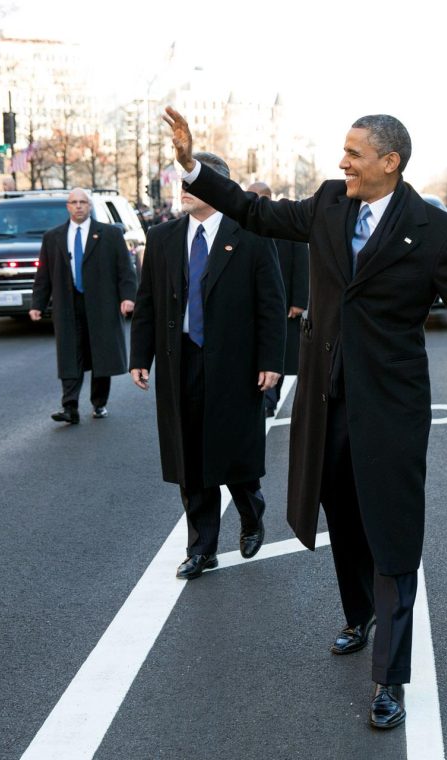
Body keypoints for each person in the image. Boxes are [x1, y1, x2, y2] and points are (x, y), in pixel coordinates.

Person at [164, 107, 447, 730]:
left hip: (392, 406)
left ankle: (389, 679)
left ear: (389, 162)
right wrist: (192, 165)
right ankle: (358, 614)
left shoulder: (432, 231)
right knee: (342, 517)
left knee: (394, 536)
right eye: (342, 151)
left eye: (353, 152)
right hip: (326, 400)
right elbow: (257, 212)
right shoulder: (326, 205)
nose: (341, 161)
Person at [130, 154, 286, 577]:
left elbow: (271, 303)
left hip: (235, 363)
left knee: (233, 451)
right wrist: (139, 356)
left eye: (191, 181)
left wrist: (272, 361)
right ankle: (202, 547)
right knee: (190, 456)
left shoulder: (250, 235)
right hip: (181, 359)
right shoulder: (162, 237)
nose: (181, 188)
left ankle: (251, 511)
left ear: (217, 187)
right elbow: (148, 301)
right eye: (180, 180)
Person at [29, 189, 137, 423]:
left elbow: (125, 269)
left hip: (102, 303)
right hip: (68, 304)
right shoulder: (53, 237)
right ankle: (70, 407)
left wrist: (128, 296)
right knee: (70, 353)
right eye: (73, 202)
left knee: (101, 353)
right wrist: (37, 303)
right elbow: (43, 275)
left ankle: (99, 403)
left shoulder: (109, 234)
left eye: (83, 202)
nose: (78, 206)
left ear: (90, 206)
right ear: (67, 207)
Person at [246, 181, 309, 417]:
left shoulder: (285, 223)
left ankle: (270, 398)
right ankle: (261, 395)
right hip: (255, 300)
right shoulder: (246, 224)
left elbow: (302, 263)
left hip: (284, 301)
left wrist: (299, 300)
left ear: (264, 198)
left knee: (279, 350)